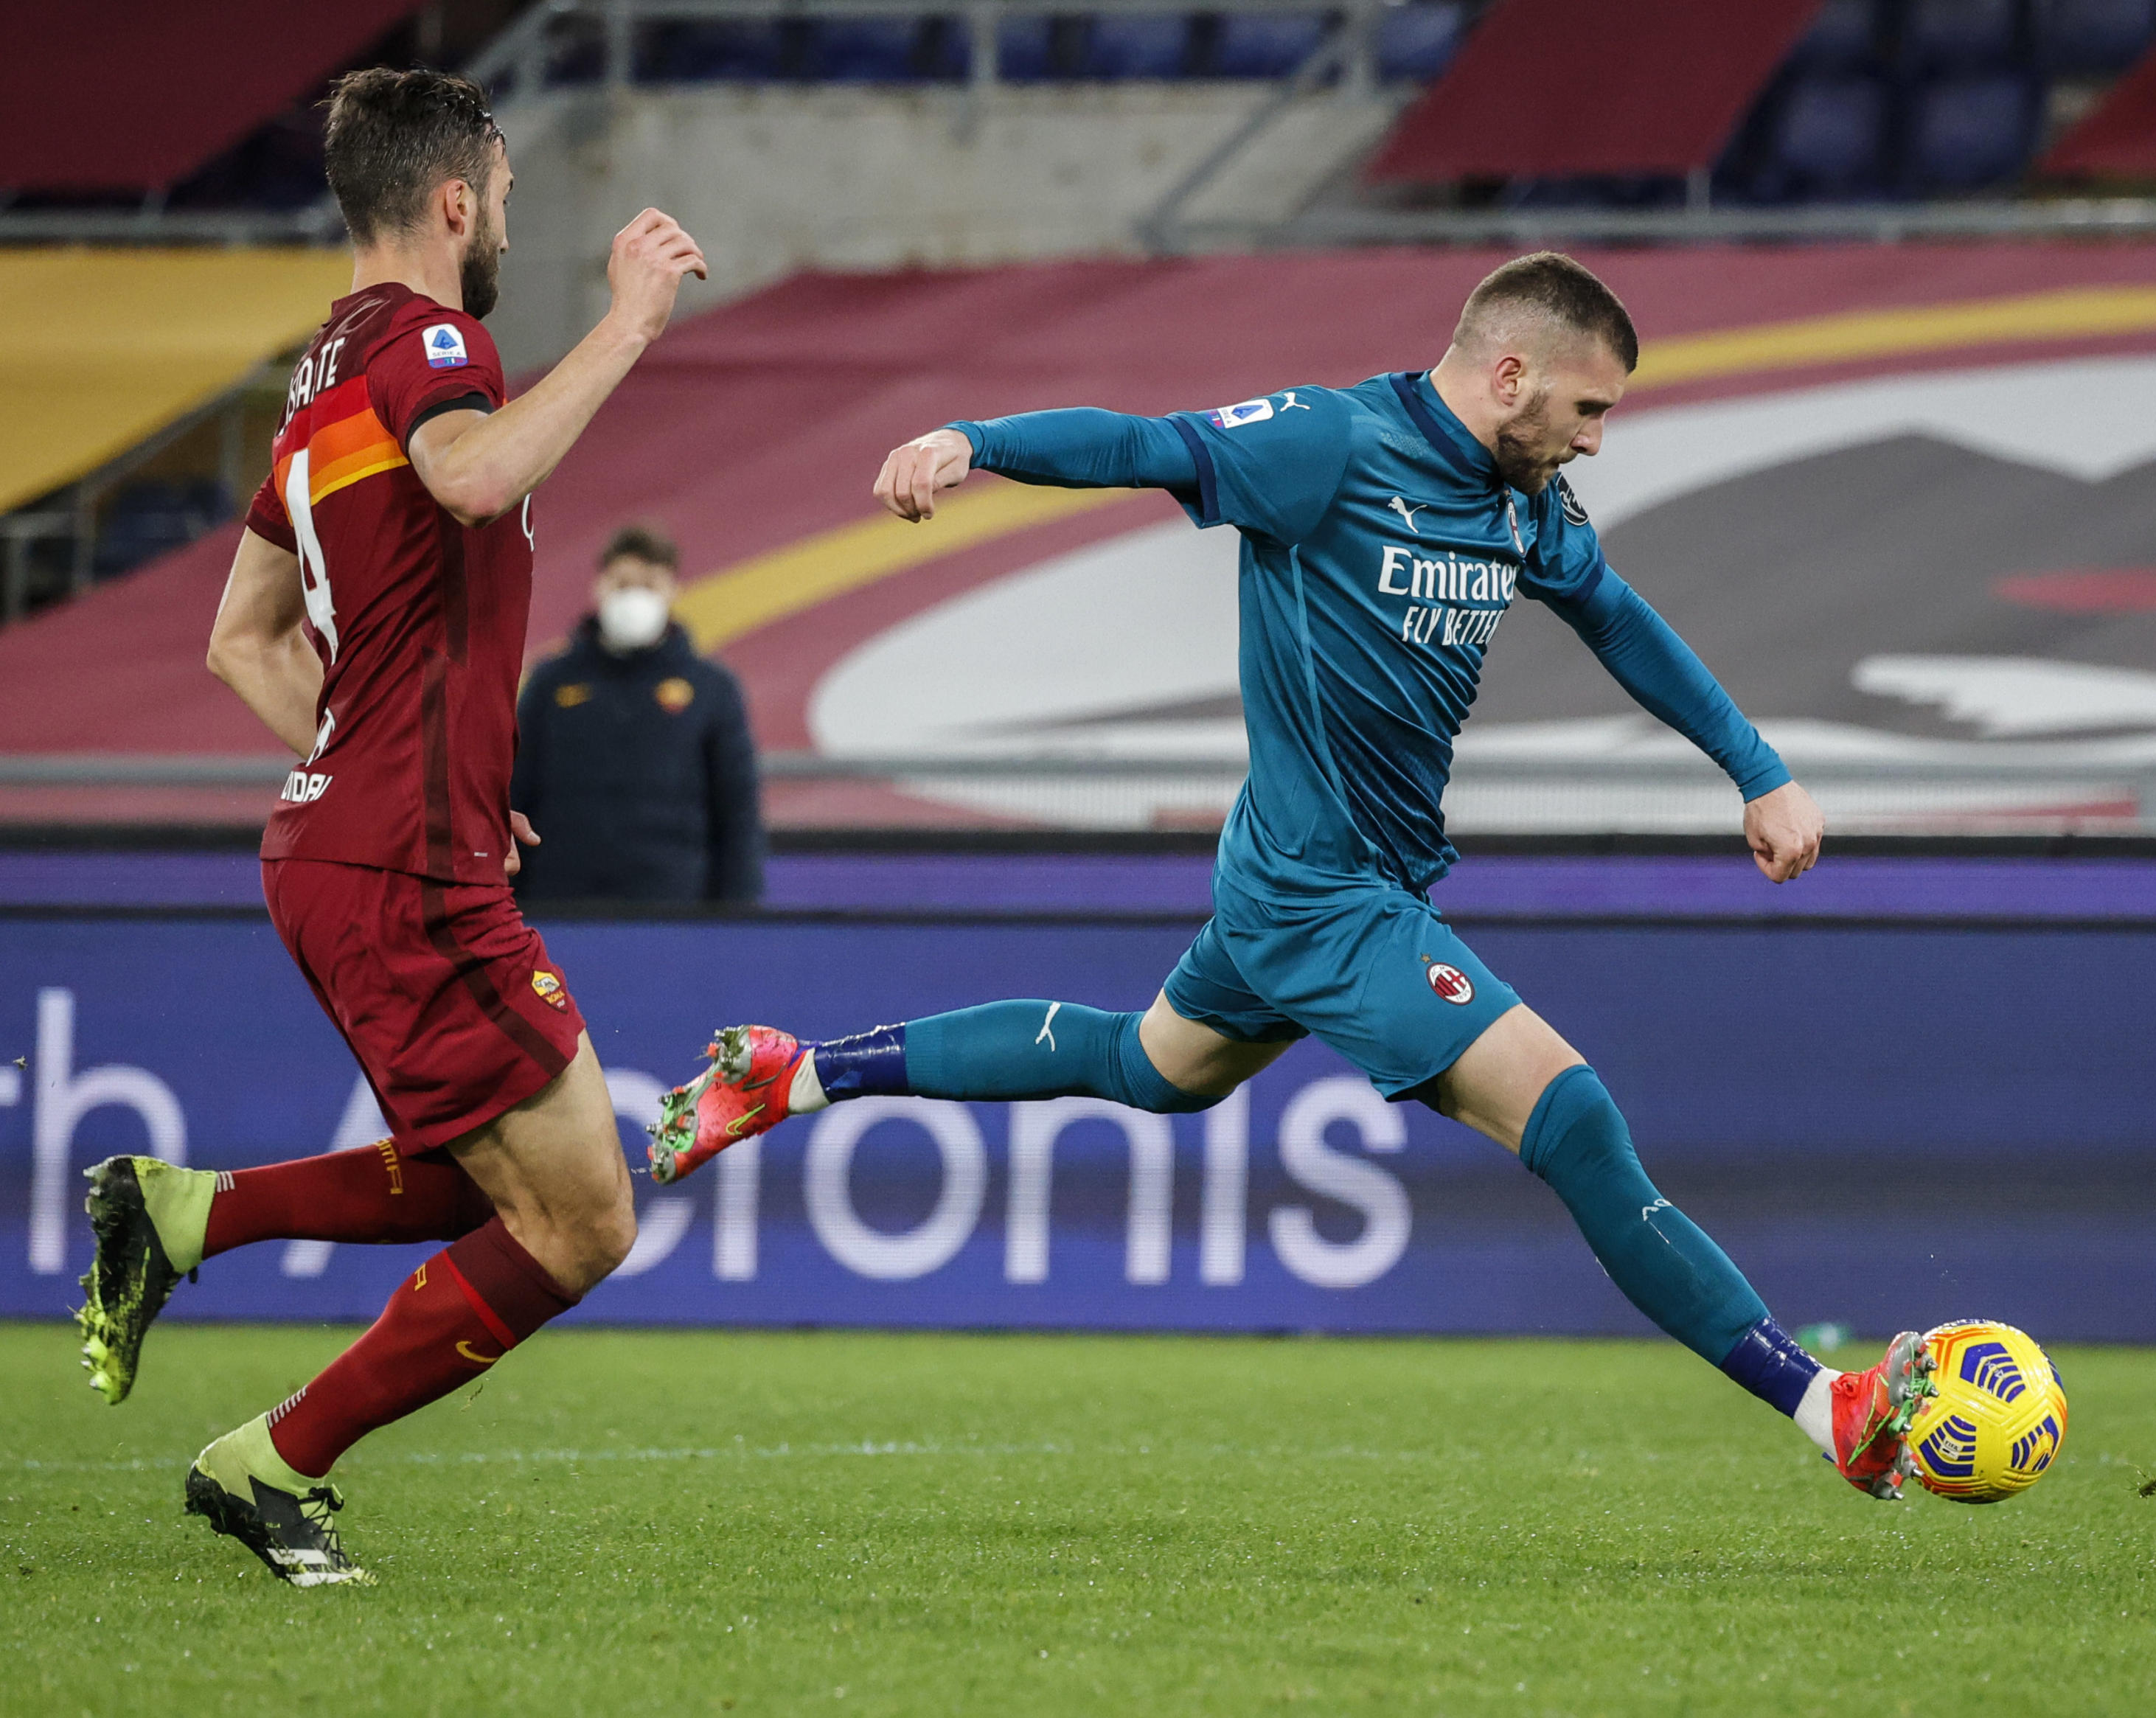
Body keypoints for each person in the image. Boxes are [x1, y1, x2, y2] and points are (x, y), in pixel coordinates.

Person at [650, 252, 1939, 1500]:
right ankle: (1826, 1407)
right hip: (1324, 897)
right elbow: (1143, 444)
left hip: (1320, 879)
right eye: (1587, 408)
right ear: (1509, 375)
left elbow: (1615, 616)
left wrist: (1754, 767)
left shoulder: (1523, 503)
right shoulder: (1330, 444)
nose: (1595, 440)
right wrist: (972, 440)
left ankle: (794, 1073)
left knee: (1147, 1067)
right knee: (1578, 1122)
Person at [71, 67, 706, 1585]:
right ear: (455, 200)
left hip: (348, 846)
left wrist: (396, 774)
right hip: (398, 862)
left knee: (505, 1177)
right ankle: (274, 1459)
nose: (509, 229)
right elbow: (473, 476)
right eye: (507, 199)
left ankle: (182, 1213)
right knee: (584, 1221)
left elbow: (240, 638)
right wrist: (628, 322)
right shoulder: (431, 343)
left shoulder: (321, 380)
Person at [512, 524, 762, 905]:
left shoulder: (712, 689)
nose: (634, 597)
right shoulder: (550, 683)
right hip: (562, 902)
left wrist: (739, 913)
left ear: (673, 589)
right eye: (623, 584)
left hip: (674, 904)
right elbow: (515, 793)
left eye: (649, 585)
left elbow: (737, 812)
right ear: (599, 586)